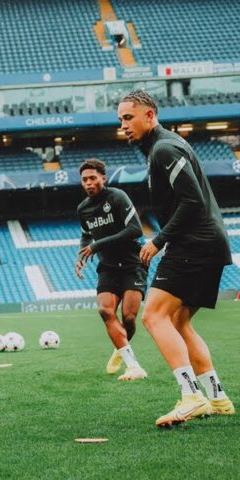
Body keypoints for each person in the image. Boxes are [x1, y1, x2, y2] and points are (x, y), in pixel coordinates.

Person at [118, 89, 235, 427]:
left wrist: (159, 241)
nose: (123, 125)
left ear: (149, 115)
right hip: (209, 244)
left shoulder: (164, 148)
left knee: (153, 317)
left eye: (129, 117)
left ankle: (191, 395)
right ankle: (218, 397)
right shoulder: (164, 147)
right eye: (120, 120)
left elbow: (192, 201)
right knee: (180, 321)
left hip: (193, 244)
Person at [73, 158, 148, 382]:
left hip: (132, 261)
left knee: (128, 316)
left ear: (103, 178)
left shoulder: (117, 197)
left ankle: (120, 347)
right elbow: (86, 234)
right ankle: (132, 365)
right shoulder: (83, 209)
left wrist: (97, 246)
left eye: (93, 178)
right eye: (84, 180)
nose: (88, 183)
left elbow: (135, 230)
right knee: (105, 311)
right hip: (107, 265)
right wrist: (82, 253)